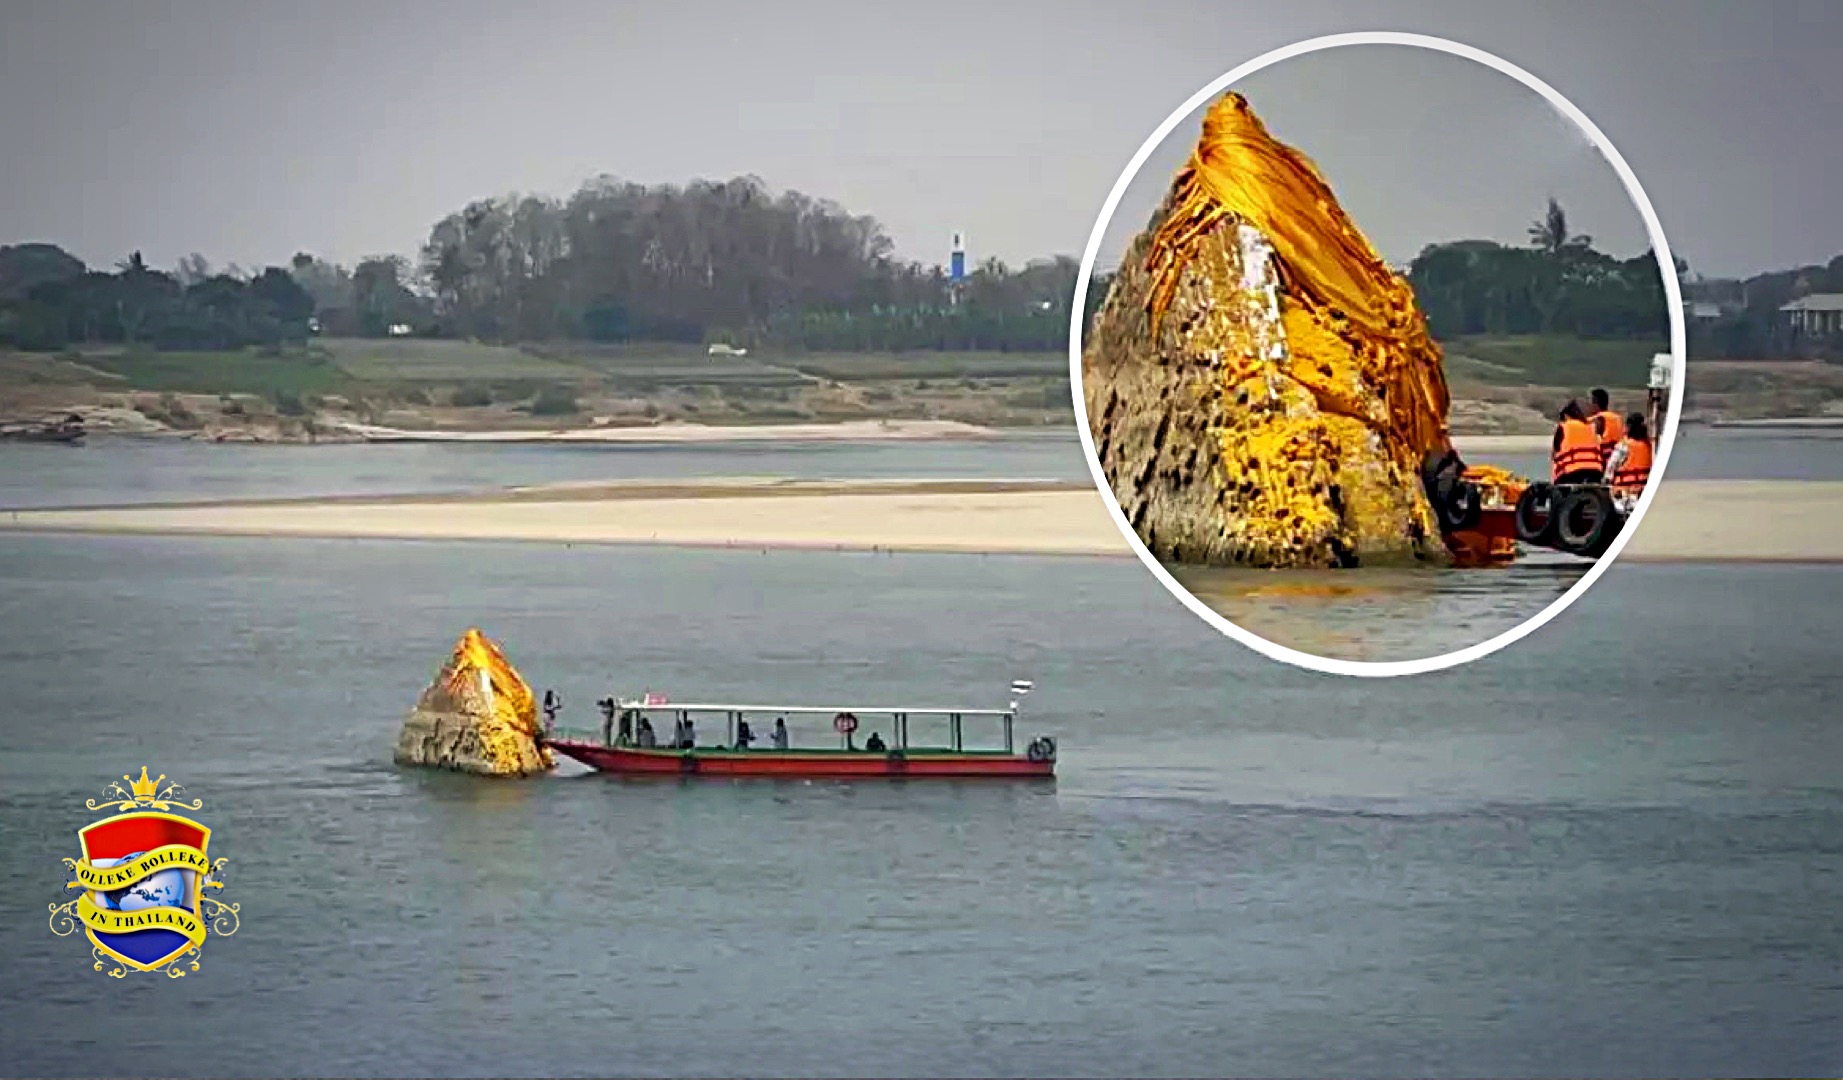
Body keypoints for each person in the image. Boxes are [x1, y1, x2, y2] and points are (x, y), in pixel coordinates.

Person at [1550, 399, 1604, 485]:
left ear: (1566, 415)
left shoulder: (1564, 427)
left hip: (1572, 472)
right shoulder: (1590, 428)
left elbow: (1554, 454)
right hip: (1596, 472)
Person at [1604, 412, 1653, 496]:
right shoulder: (1647, 445)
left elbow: (1611, 466)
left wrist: (1606, 480)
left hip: (1624, 493)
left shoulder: (1624, 445)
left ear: (1629, 427)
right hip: (1643, 492)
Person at [1590, 387, 1626, 458]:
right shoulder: (1617, 418)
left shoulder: (1598, 419)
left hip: (1604, 457)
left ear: (1595, 404)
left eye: (1592, 402)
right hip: (1618, 456)